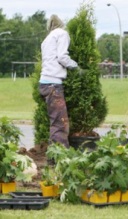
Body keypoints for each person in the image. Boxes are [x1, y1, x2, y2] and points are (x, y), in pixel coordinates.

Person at [39, 14, 78, 149]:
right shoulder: (62, 33)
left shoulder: (46, 39)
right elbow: (62, 57)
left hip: (45, 83)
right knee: (60, 124)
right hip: (53, 84)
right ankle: (59, 159)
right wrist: (76, 66)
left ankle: (53, 156)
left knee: (55, 122)